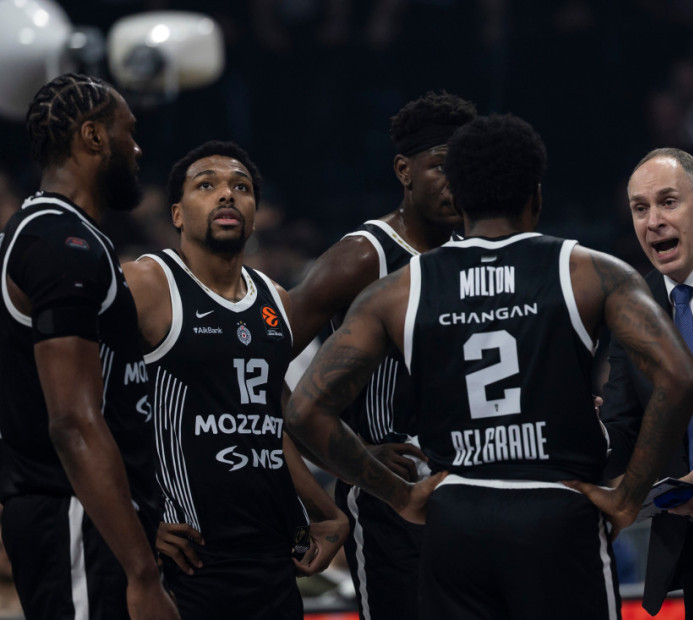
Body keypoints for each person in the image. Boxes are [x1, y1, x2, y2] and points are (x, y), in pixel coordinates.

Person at [285, 113, 693, 619]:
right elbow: (680, 377)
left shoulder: (400, 289)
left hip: (455, 517)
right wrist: (629, 497)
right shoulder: (590, 270)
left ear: (459, 196)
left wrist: (401, 496)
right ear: (537, 196)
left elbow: (304, 410)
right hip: (556, 510)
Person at [122, 141, 348, 619]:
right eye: (207, 185)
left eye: (240, 187)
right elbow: (85, 403)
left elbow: (267, 425)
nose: (227, 194)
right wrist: (134, 514)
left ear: (255, 214)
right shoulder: (146, 283)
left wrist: (325, 513)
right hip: (187, 554)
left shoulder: (276, 300)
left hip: (272, 551)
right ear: (178, 213)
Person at [287, 91, 476, 619]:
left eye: (464, 168)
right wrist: (346, 455)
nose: (455, 181)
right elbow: (253, 362)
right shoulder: (362, 256)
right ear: (404, 170)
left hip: (469, 495)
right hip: (392, 501)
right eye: (440, 166)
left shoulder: (472, 254)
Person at [0, 74, 178, 619]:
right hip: (75, 517)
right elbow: (73, 423)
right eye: (129, 131)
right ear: (94, 136)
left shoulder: (61, 235)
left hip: (90, 519)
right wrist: (142, 574)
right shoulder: (60, 241)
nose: (138, 148)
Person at [600, 147, 693, 619]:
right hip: (691, 548)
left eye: (668, 202)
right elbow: (623, 428)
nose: (653, 222)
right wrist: (587, 430)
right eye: (640, 208)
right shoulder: (631, 305)